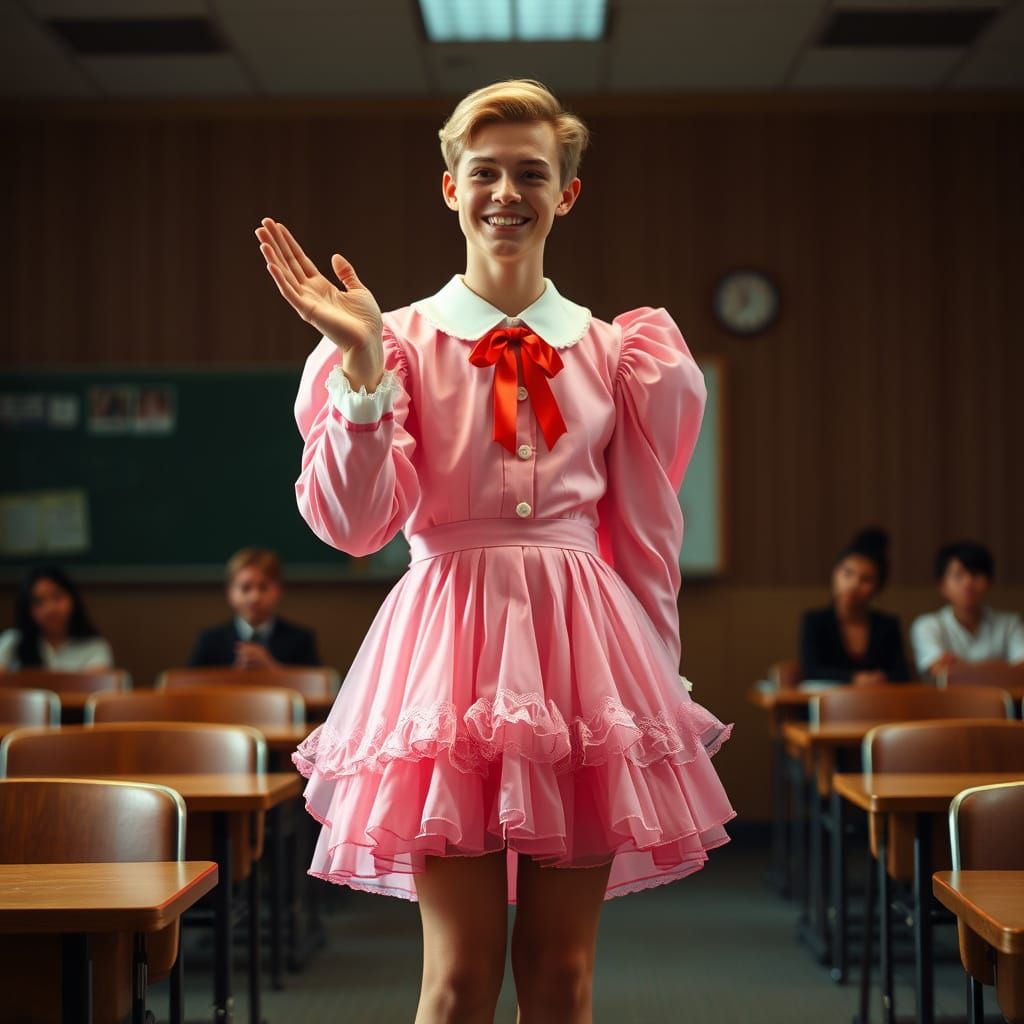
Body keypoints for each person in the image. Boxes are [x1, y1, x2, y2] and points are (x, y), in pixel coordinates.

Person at [256, 79, 734, 1024]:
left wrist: (656, 684)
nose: (506, 194)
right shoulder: (390, 342)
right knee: (458, 978)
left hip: (584, 659)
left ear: (566, 195)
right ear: (449, 189)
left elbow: (645, 539)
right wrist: (358, 371)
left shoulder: (616, 353)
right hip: (445, 654)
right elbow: (355, 526)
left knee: (562, 978)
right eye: (485, 173)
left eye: (531, 173)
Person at [799, 527, 912, 685]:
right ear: (835, 574)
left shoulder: (887, 625)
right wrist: (855, 678)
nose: (853, 584)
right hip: (829, 705)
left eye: (865, 579)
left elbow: (901, 674)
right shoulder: (815, 621)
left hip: (875, 703)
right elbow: (811, 670)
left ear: (877, 588)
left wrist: (879, 678)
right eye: (847, 574)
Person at [187, 547, 320, 668]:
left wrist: (273, 669)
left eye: (263, 587)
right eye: (245, 588)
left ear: (279, 591)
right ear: (230, 593)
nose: (255, 597)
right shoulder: (211, 640)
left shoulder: (300, 640)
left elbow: (317, 687)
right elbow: (191, 687)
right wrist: (233, 676)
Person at [910, 540, 1024, 678]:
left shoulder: (1010, 624)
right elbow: (940, 672)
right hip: (947, 700)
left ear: (989, 581)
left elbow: (1021, 670)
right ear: (942, 585)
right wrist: (1003, 666)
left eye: (975, 575)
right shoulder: (927, 625)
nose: (967, 583)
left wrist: (959, 667)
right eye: (958, 575)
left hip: (1005, 699)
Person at [0, 565, 114, 672]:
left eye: (57, 597)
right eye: (38, 602)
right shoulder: (12, 642)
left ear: (73, 599)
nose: (50, 609)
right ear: (27, 609)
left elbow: (95, 688)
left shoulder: (94, 646)